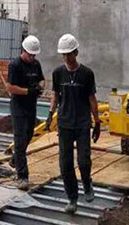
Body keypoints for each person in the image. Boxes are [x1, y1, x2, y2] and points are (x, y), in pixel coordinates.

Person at [46, 33, 100, 214]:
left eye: (69, 54)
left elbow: (92, 98)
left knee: (83, 160)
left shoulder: (86, 74)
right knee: (65, 163)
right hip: (65, 123)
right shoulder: (57, 73)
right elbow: (55, 95)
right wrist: (50, 113)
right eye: (64, 54)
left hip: (83, 123)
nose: (66, 57)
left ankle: (87, 182)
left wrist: (97, 121)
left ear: (76, 52)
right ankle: (72, 198)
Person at [7, 35, 45, 190]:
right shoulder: (15, 65)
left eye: (34, 55)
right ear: (23, 51)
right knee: (20, 138)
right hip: (19, 106)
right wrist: (28, 91)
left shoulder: (36, 64)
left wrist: (40, 87)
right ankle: (23, 176)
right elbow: (11, 88)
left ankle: (16, 159)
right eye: (30, 55)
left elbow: (42, 79)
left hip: (31, 106)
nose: (32, 57)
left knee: (29, 135)